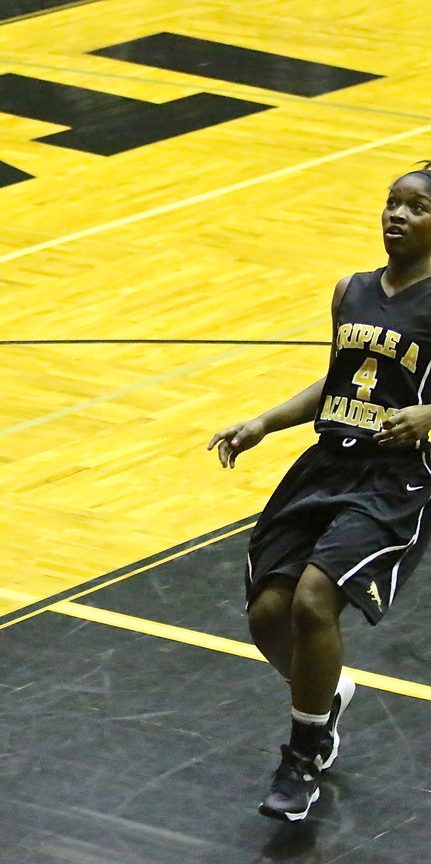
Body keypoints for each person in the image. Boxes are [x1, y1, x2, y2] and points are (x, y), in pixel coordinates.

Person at [207, 162, 431, 822]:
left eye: (416, 207)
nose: (397, 215)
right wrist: (264, 422)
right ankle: (323, 698)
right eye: (391, 202)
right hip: (327, 465)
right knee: (267, 615)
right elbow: (336, 379)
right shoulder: (350, 290)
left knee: (314, 599)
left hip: (394, 478)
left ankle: (303, 755)